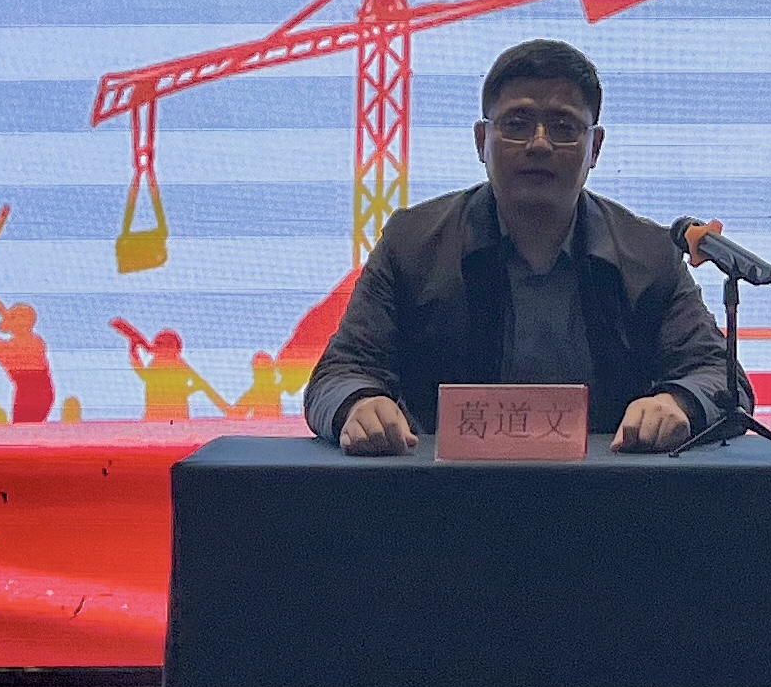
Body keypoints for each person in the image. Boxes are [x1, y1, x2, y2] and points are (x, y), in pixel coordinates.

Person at [304, 36, 731, 454]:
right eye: (516, 124)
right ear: (481, 141)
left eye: (563, 127)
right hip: (446, 490)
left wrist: (680, 403)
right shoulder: (414, 243)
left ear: (595, 148)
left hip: (609, 488)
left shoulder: (650, 254)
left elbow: (718, 375)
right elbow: (339, 374)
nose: (539, 144)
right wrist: (357, 405)